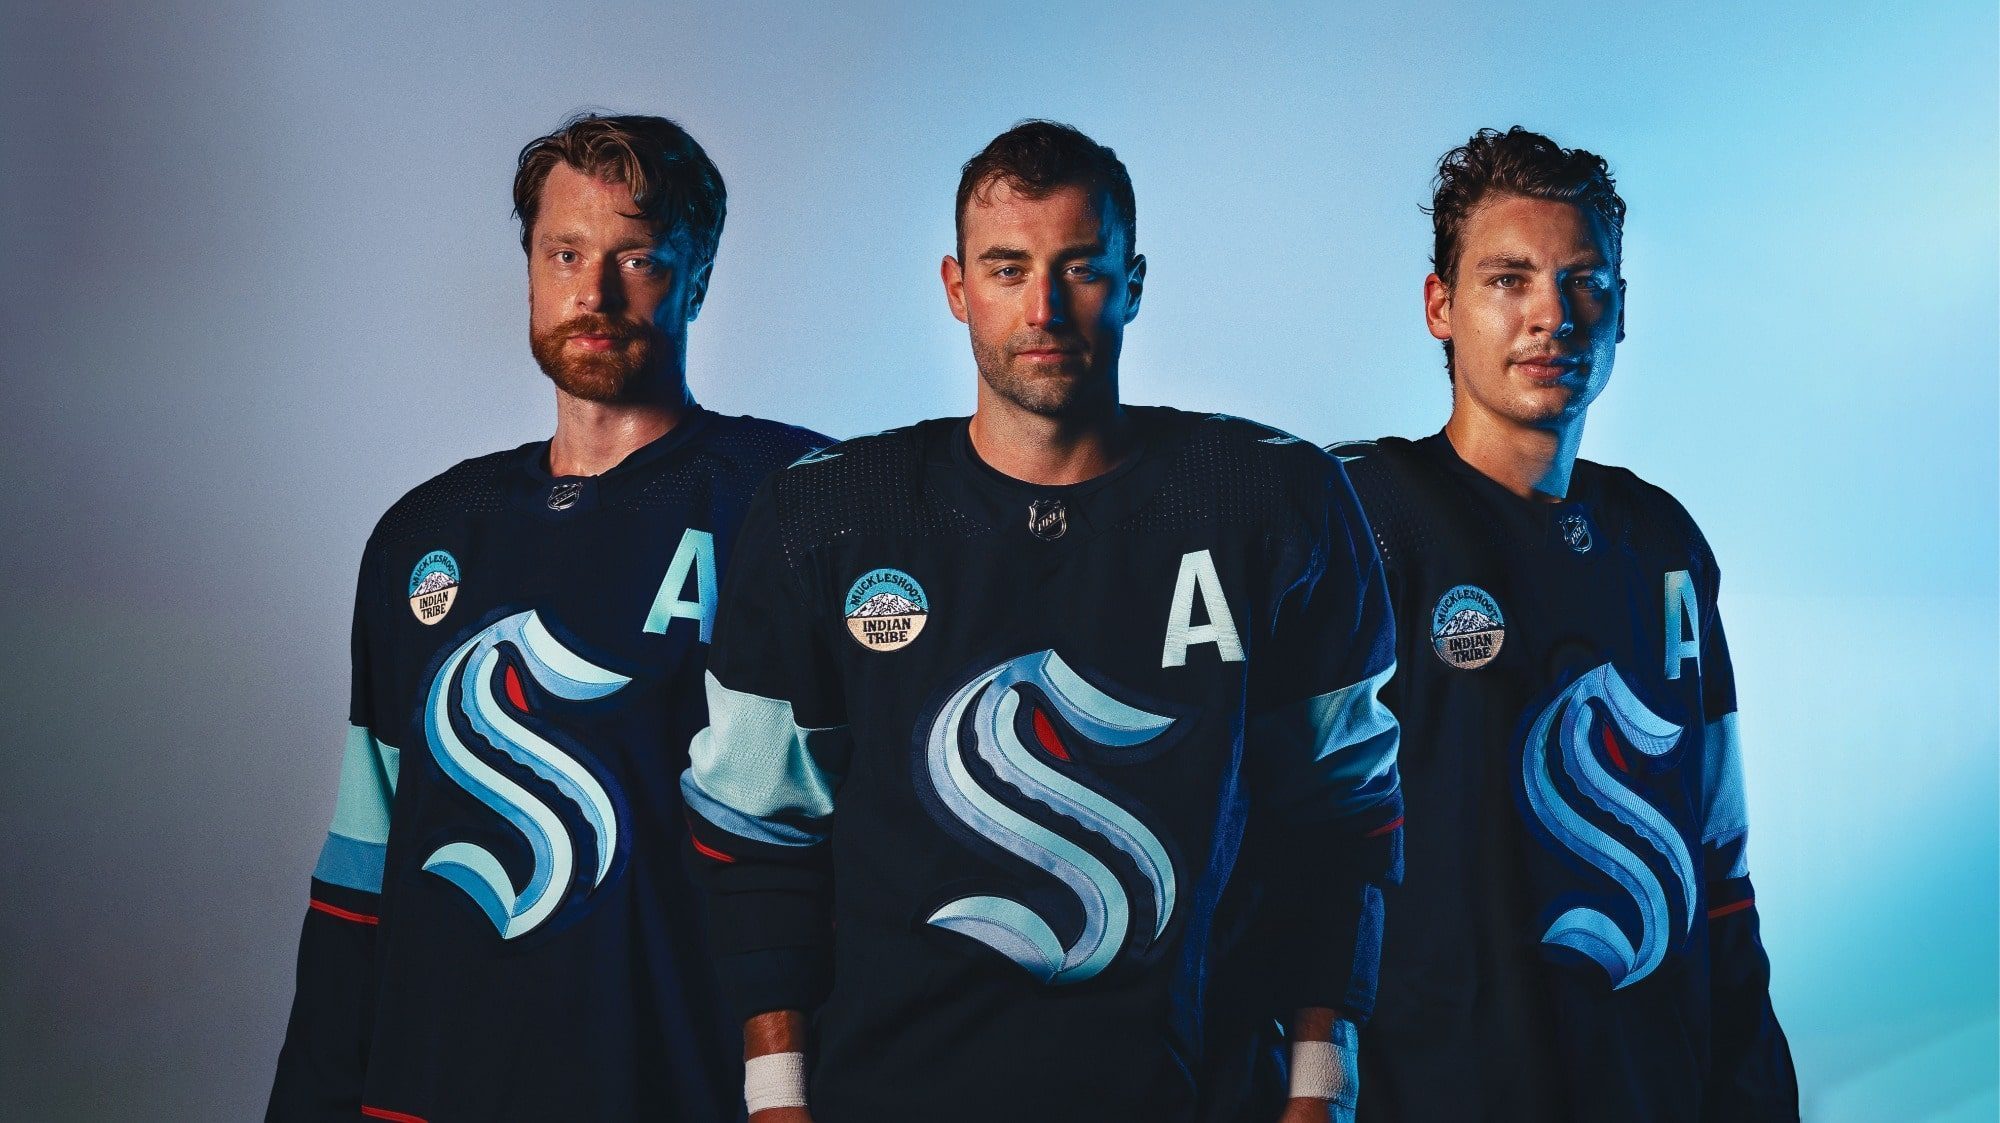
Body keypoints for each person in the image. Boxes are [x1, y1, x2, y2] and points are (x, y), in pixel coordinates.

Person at [680, 120, 1403, 1123]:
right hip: (892, 1094)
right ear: (954, 286)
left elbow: (1341, 818)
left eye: (1080, 268)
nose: (1044, 306)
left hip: (1191, 1091)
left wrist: (1321, 1091)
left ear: (1135, 282)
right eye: (1008, 268)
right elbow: (758, 832)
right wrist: (774, 1102)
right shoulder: (831, 512)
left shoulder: (1268, 499)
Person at [267, 113, 827, 1122]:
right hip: (434, 1091)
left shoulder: (792, 501)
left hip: (676, 1086)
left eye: (637, 258)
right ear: (529, 267)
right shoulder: (425, 533)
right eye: (564, 253)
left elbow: (857, 857)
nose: (594, 292)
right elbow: (360, 875)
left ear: (695, 277)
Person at [1328, 127, 1797, 1121]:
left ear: (1620, 312)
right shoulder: (1359, 521)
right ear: (1438, 308)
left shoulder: (1659, 540)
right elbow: (1288, 857)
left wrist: (1752, 1089)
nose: (1552, 314)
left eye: (1584, 281)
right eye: (1508, 279)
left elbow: (1719, 857)